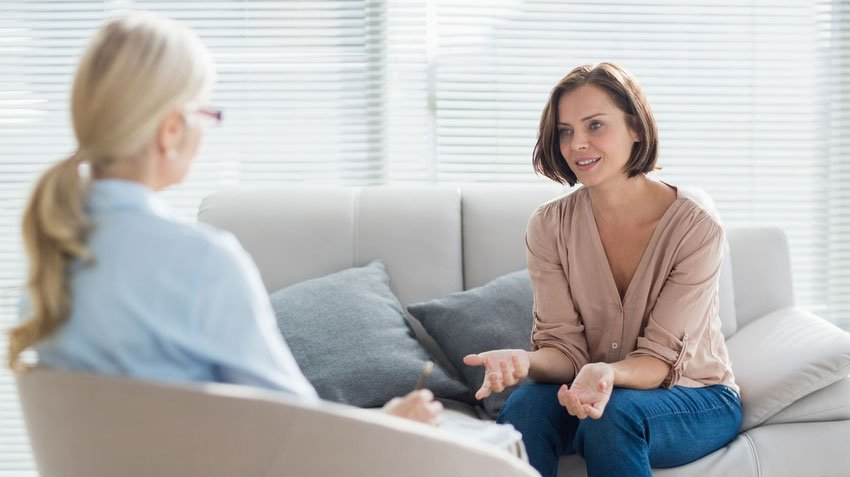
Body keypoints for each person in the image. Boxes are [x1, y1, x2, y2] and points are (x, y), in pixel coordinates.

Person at [7, 13, 441, 426]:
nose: (207, 129)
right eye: (205, 113)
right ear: (172, 129)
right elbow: (295, 436)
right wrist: (389, 424)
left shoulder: (51, 264)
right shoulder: (200, 262)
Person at [463, 63, 742, 477]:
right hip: (588, 388)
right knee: (524, 408)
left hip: (694, 395)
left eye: (595, 125)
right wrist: (526, 360)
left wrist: (607, 373)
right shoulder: (549, 226)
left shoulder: (696, 229)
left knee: (613, 416)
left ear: (636, 129)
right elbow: (564, 350)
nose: (578, 144)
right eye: (565, 131)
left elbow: (659, 362)